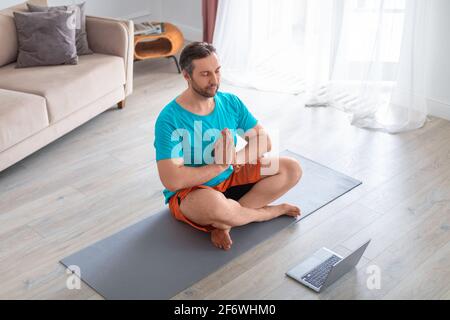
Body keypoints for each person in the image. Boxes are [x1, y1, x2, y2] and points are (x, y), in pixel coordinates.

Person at [154, 42, 302, 250]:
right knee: (214, 205)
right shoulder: (169, 119)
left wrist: (233, 160)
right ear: (187, 76)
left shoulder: (230, 102)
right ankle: (267, 213)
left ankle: (226, 221)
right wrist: (218, 166)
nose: (214, 80)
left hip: (232, 174)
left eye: (217, 71)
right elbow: (172, 180)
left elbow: (263, 141)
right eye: (205, 74)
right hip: (194, 192)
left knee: (291, 168)